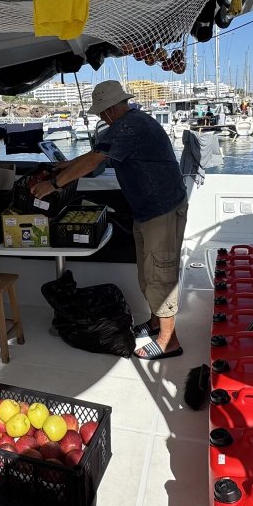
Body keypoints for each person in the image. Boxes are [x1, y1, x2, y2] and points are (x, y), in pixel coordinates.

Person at [30, 80, 188, 360]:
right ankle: (154, 323)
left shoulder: (129, 126)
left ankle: (168, 341)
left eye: (102, 111)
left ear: (113, 108)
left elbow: (94, 162)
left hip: (161, 208)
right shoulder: (127, 124)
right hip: (148, 209)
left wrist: (53, 185)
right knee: (148, 271)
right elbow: (94, 156)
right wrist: (64, 166)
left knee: (159, 273)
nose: (100, 116)